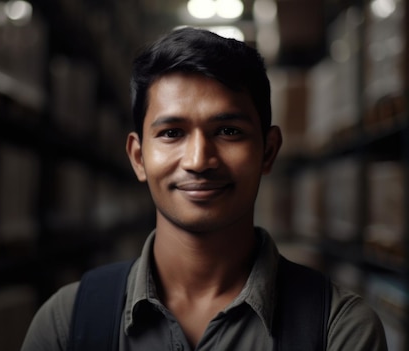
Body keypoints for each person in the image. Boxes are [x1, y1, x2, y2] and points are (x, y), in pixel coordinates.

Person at [21, 27, 387, 350]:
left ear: (268, 151)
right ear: (138, 157)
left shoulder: (338, 330)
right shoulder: (67, 324)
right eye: (172, 133)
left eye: (228, 131)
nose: (199, 159)